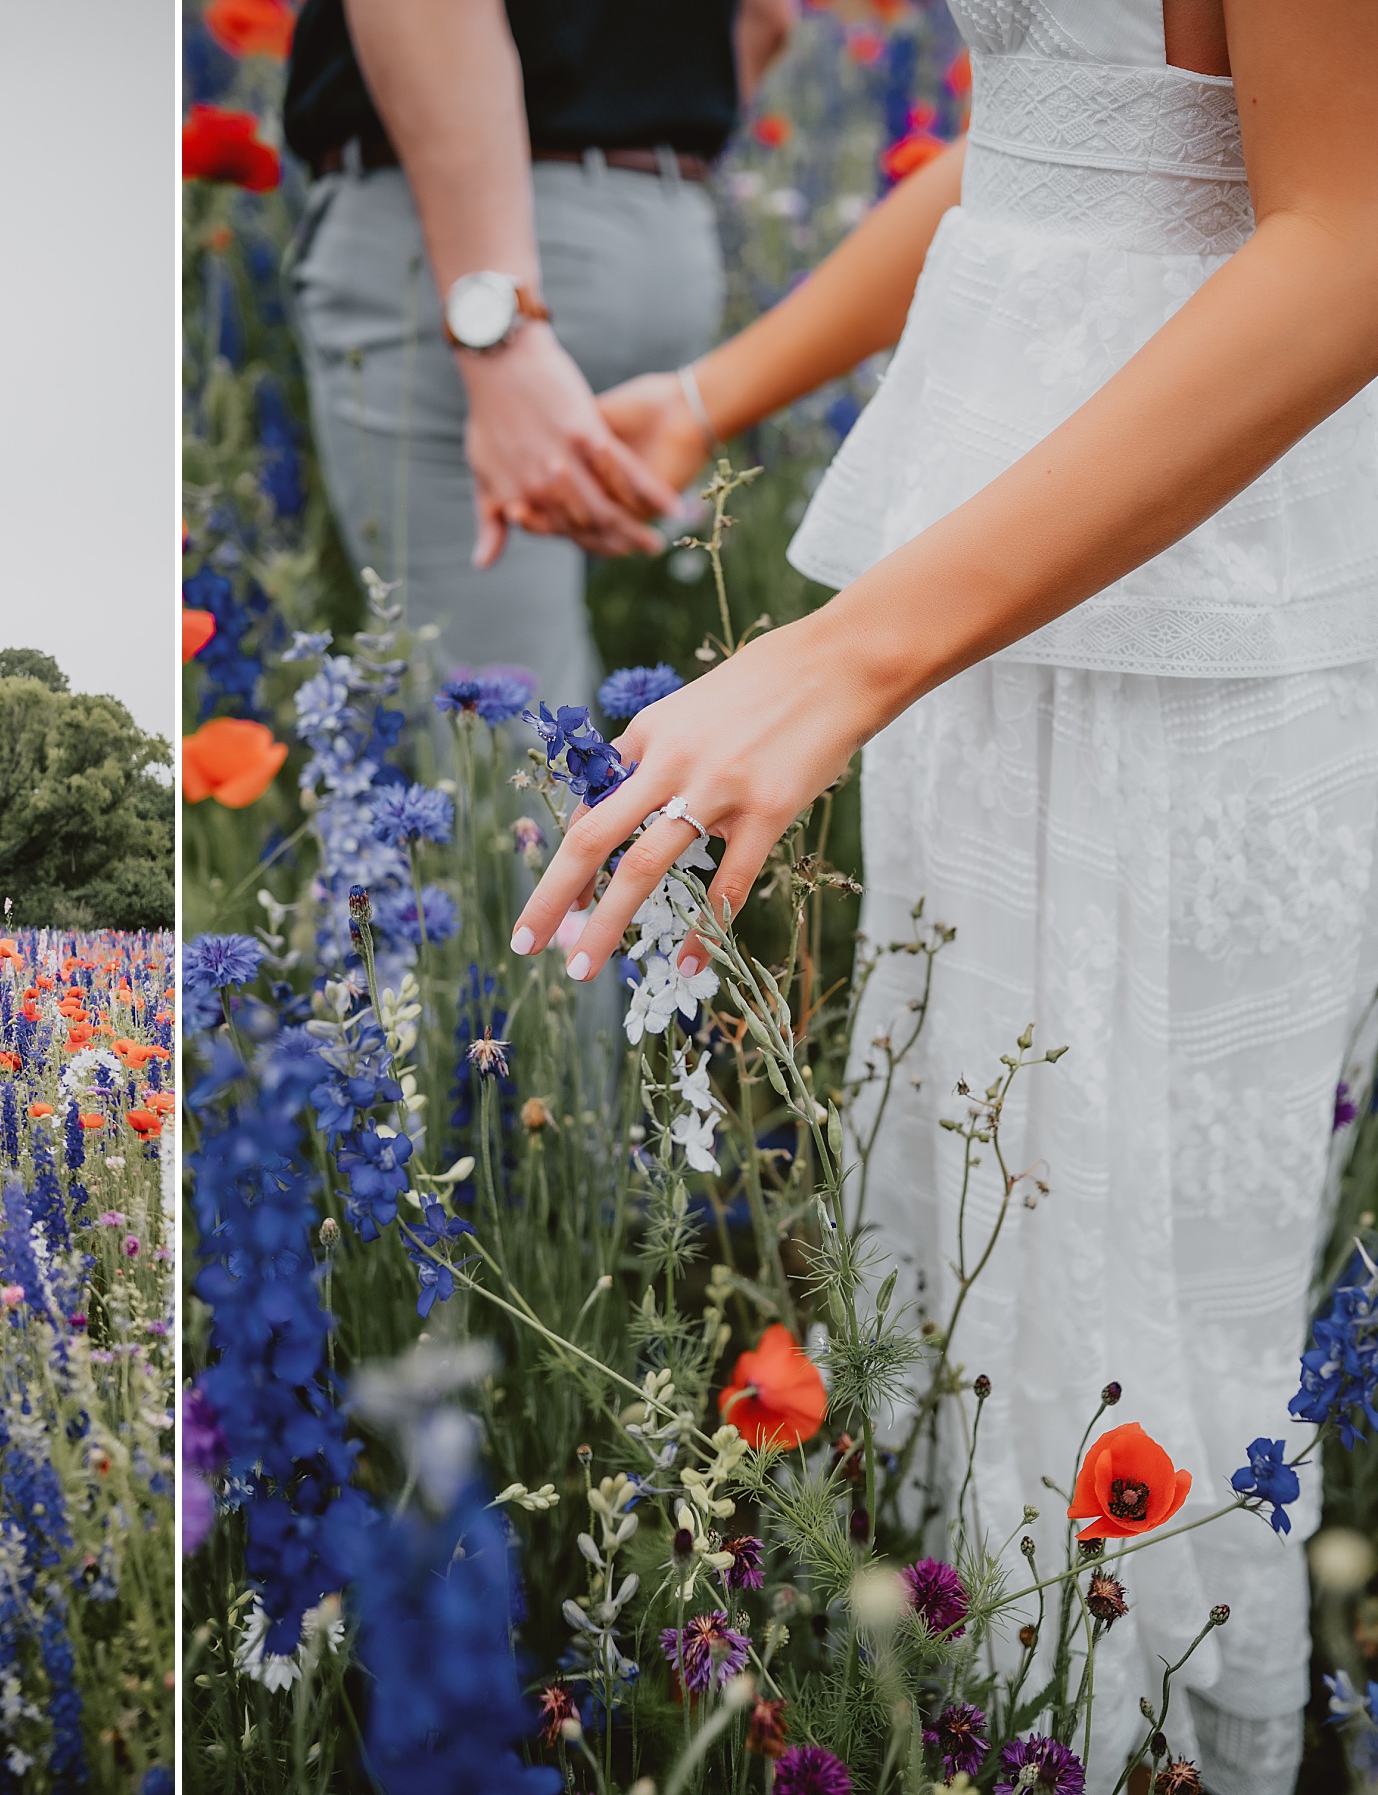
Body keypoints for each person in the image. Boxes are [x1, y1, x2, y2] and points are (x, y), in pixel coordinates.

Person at [514, 2, 1378, 1787]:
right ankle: (995, 1724)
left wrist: (845, 653)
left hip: (1187, 620)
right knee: (976, 1258)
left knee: (1144, 1329)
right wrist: (711, 392)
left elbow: (1353, 232)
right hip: (980, 587)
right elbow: (1064, 137)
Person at [282, 0, 797, 713]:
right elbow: (769, 19)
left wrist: (500, 328)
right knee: (568, 676)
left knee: (506, 741)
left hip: (469, 244)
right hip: (664, 229)